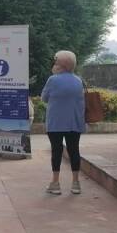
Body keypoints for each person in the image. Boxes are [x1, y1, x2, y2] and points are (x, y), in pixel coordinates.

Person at [40, 50, 86, 195]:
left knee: (56, 151)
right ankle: (76, 183)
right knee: (74, 151)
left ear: (62, 65)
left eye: (56, 61)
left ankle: (55, 183)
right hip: (74, 122)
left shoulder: (53, 80)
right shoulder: (79, 80)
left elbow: (44, 98)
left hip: (55, 123)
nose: (54, 64)